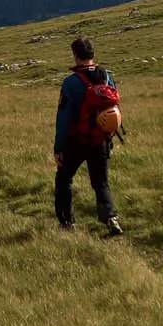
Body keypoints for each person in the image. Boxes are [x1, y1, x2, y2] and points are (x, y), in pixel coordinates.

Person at [54, 37, 123, 236]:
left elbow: (64, 118)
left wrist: (58, 147)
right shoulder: (107, 77)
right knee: (101, 182)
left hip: (77, 140)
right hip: (101, 139)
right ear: (93, 54)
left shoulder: (71, 82)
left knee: (64, 179)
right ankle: (111, 218)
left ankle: (67, 223)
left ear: (76, 56)